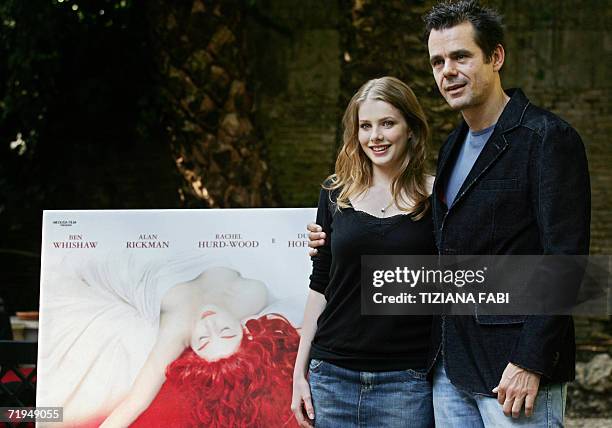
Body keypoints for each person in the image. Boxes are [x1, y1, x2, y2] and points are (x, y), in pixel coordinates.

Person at [308, 1, 590, 426]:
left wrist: (531, 360)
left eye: (461, 56)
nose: (448, 71)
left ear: (495, 57)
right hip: (448, 371)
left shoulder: (547, 138)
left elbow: (566, 261)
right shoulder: (454, 146)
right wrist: (337, 238)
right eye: (438, 61)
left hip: (512, 373)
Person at [292, 76, 437, 428]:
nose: (376, 137)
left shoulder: (438, 197)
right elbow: (320, 283)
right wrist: (299, 372)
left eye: (387, 123)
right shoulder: (334, 193)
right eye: (366, 126)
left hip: (405, 380)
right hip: (331, 375)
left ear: (411, 129)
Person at [37, 253, 300, 427]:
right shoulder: (254, 296)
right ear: (245, 331)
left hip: (110, 272)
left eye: (203, 341)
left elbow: (135, 402)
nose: (209, 324)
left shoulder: (177, 328)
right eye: (227, 332)